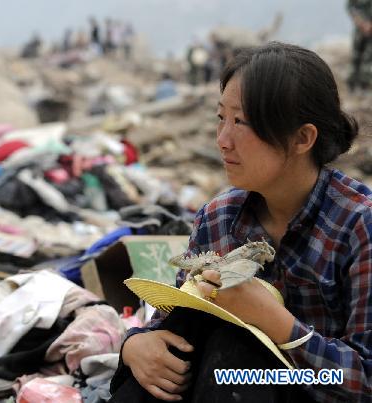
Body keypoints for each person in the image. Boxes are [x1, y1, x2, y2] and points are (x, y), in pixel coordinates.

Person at [111, 42, 371, 402]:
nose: (223, 140)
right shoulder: (218, 218)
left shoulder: (359, 225)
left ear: (302, 138)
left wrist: (276, 323)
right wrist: (136, 345)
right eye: (222, 118)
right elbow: (168, 321)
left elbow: (366, 380)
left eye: (241, 122)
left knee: (238, 349)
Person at [347, 0, 372, 92]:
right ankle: (352, 84)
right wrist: (361, 23)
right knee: (356, 57)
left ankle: (364, 85)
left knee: (368, 58)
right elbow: (351, 8)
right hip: (360, 30)